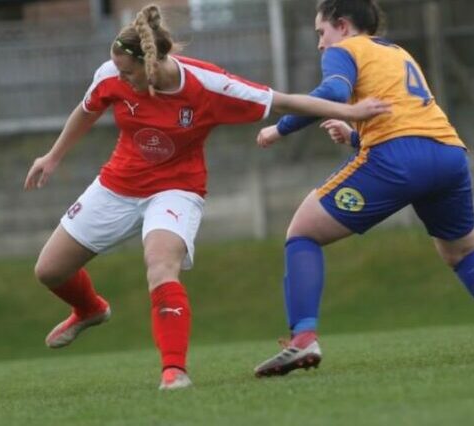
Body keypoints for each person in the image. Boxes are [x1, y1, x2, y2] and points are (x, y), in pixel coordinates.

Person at [24, 3, 389, 390]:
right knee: (49, 270)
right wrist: (52, 156)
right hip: (117, 184)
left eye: (128, 73)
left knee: (161, 265)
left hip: (177, 188)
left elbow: (283, 101)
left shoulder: (209, 85)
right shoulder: (111, 74)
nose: (121, 79)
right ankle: (90, 309)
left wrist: (351, 109)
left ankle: (174, 372)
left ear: (151, 65)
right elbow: (86, 110)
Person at [253, 0, 474, 378]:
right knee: (465, 251)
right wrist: (357, 137)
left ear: (342, 25)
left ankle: (303, 338)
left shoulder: (346, 49)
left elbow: (333, 93)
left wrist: (280, 129)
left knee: (302, 233)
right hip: (449, 155)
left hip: (398, 159)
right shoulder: (395, 52)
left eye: (321, 33)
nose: (321, 44)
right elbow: (408, 120)